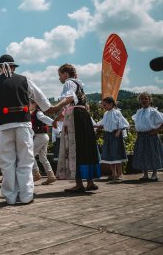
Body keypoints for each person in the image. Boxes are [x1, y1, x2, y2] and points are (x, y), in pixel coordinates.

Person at [0, 55, 69, 205]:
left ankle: (10, 197)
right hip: (23, 125)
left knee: (7, 162)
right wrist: (52, 108)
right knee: (25, 161)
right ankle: (26, 196)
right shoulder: (25, 80)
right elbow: (43, 101)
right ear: (13, 67)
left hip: (3, 127)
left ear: (0, 68)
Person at [53, 64, 101, 192]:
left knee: (75, 147)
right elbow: (71, 105)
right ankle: (90, 182)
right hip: (83, 116)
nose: (59, 78)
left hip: (76, 118)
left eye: (60, 75)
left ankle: (79, 184)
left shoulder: (69, 83)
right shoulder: (79, 85)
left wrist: (55, 108)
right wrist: (56, 119)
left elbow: (68, 99)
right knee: (85, 146)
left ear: (66, 74)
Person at [95, 96, 129, 180]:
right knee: (109, 154)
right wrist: (95, 126)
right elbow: (102, 123)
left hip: (115, 136)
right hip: (108, 136)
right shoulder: (106, 114)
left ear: (111, 104)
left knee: (116, 154)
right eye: (103, 105)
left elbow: (124, 123)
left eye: (105, 105)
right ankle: (113, 173)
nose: (104, 106)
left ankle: (120, 174)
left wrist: (119, 131)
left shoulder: (117, 112)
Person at [131, 92, 163, 182]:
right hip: (141, 136)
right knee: (142, 154)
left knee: (153, 154)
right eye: (142, 99)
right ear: (139, 101)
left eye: (146, 98)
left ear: (150, 100)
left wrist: (157, 131)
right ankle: (145, 175)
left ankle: (154, 174)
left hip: (151, 136)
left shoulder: (153, 111)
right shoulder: (139, 112)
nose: (144, 100)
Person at [30, 99, 57, 185]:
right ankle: (51, 175)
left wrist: (53, 122)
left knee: (30, 154)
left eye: (29, 103)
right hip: (43, 136)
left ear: (34, 104)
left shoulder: (38, 113)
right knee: (42, 157)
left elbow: (44, 118)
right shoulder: (33, 113)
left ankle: (36, 173)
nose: (28, 105)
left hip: (41, 136)